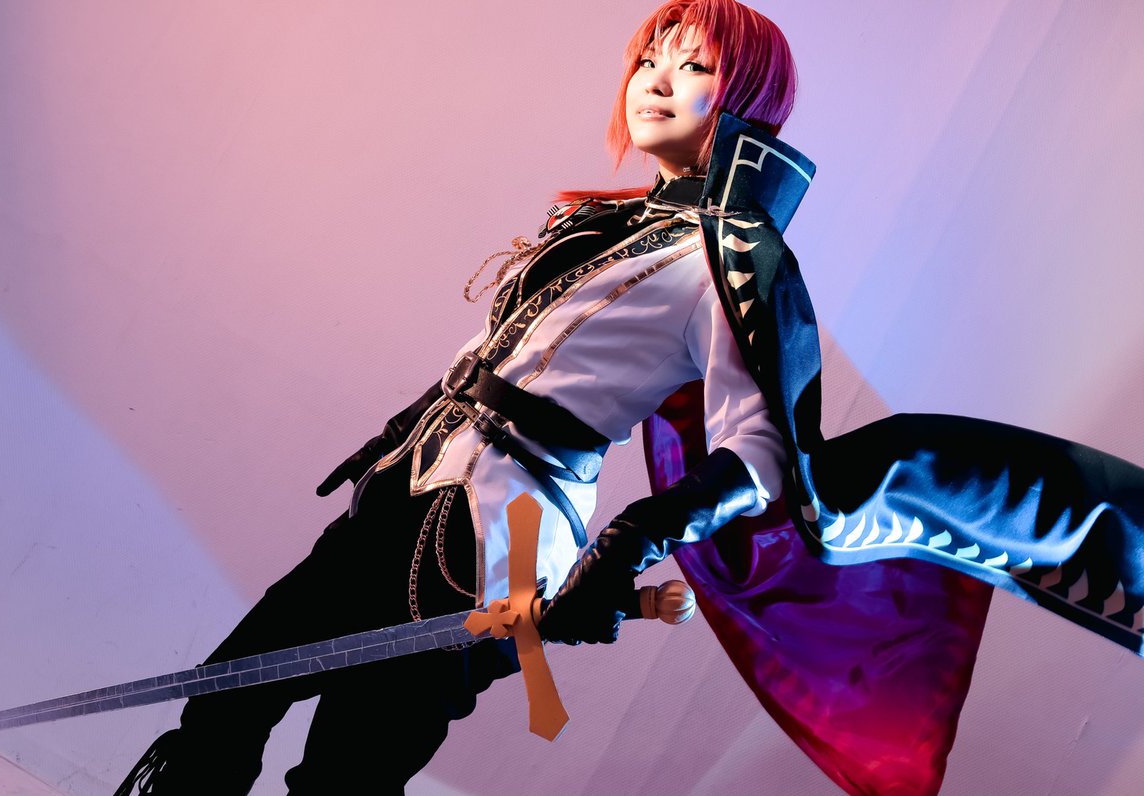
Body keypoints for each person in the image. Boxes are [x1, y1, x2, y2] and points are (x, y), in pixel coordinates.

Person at [117, 1, 1144, 795]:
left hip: (496, 538)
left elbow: (761, 454)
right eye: (652, 53)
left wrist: (635, 537)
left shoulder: (728, 258)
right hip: (406, 489)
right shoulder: (595, 221)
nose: (656, 75)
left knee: (348, 769)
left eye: (693, 64)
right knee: (226, 699)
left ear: (743, 98)